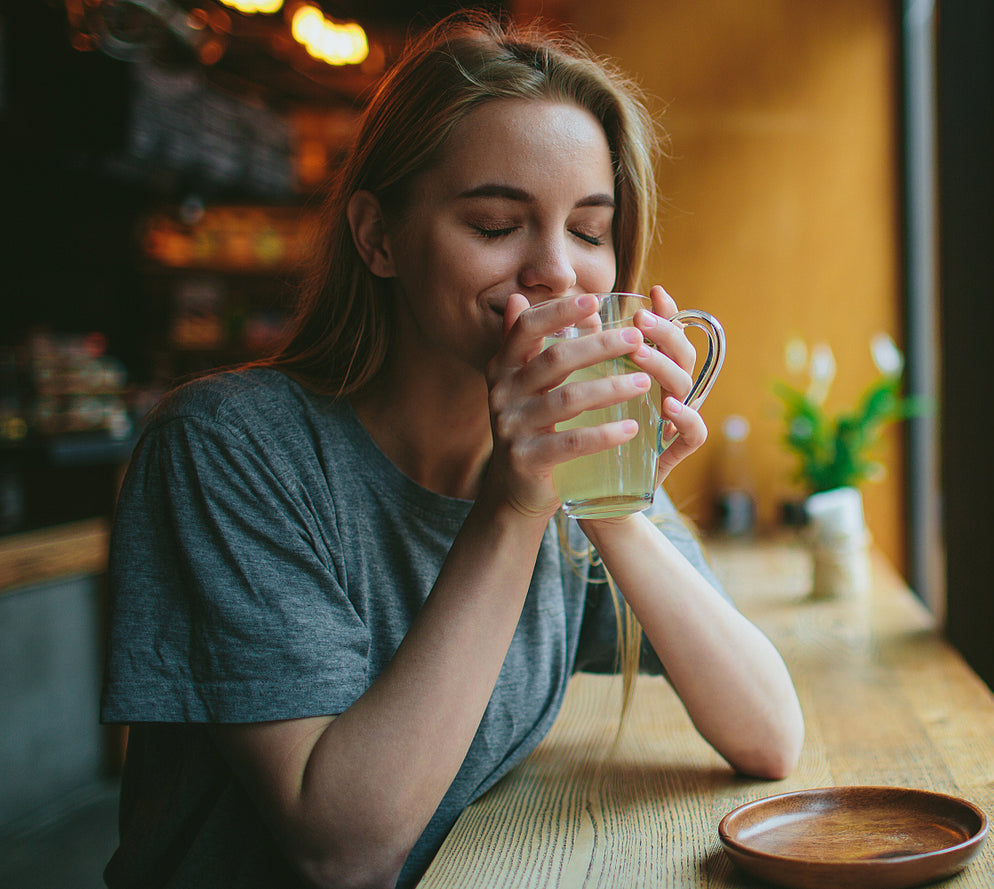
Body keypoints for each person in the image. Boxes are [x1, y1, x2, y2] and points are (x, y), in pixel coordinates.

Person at [99, 12, 804, 889]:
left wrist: (610, 497)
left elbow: (769, 733)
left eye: (590, 231)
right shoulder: (227, 448)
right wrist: (514, 506)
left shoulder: (560, 453)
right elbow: (342, 850)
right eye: (497, 223)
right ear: (378, 236)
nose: (558, 271)